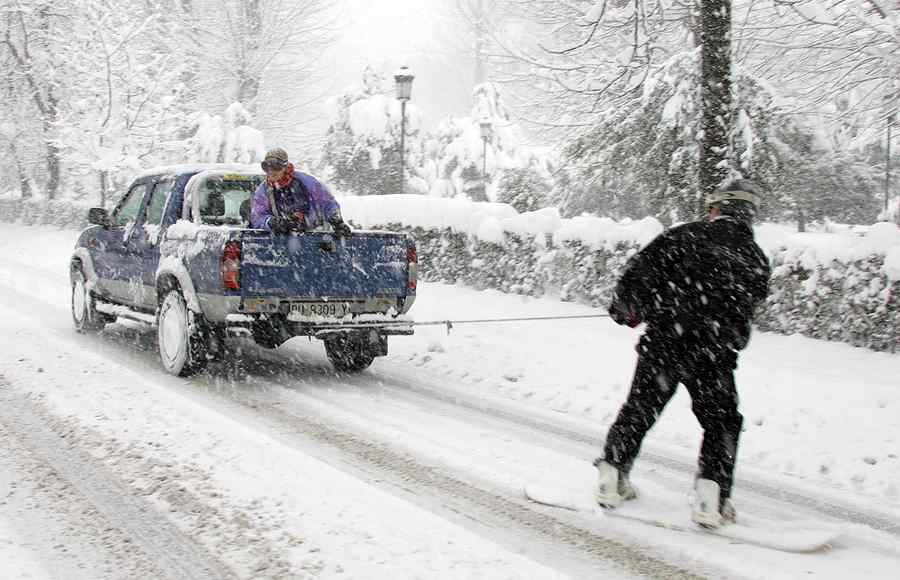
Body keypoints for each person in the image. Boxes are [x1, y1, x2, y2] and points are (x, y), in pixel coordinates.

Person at [594, 179, 771, 529]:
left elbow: (636, 278)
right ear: (749, 214)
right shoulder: (755, 257)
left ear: (715, 208)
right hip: (712, 353)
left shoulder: (681, 236)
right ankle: (712, 495)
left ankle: (612, 474)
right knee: (721, 422)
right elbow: (747, 307)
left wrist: (627, 310)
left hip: (664, 344)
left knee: (640, 408)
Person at [250, 148, 352, 237]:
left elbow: (327, 202)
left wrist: (337, 221)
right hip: (281, 240)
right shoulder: (263, 190)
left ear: (285, 167)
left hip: (315, 237)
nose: (271, 171)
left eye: (276, 167)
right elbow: (257, 217)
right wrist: (271, 222)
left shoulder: (307, 182)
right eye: (266, 167)